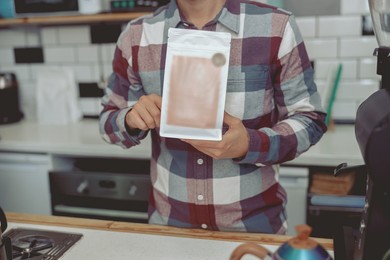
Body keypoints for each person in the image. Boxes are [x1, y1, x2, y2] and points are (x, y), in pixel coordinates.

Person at [99, 0, 327, 234]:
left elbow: (310, 119)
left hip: (254, 230)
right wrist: (131, 119)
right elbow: (107, 124)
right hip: (169, 230)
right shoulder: (136, 36)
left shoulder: (276, 27)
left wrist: (250, 144)